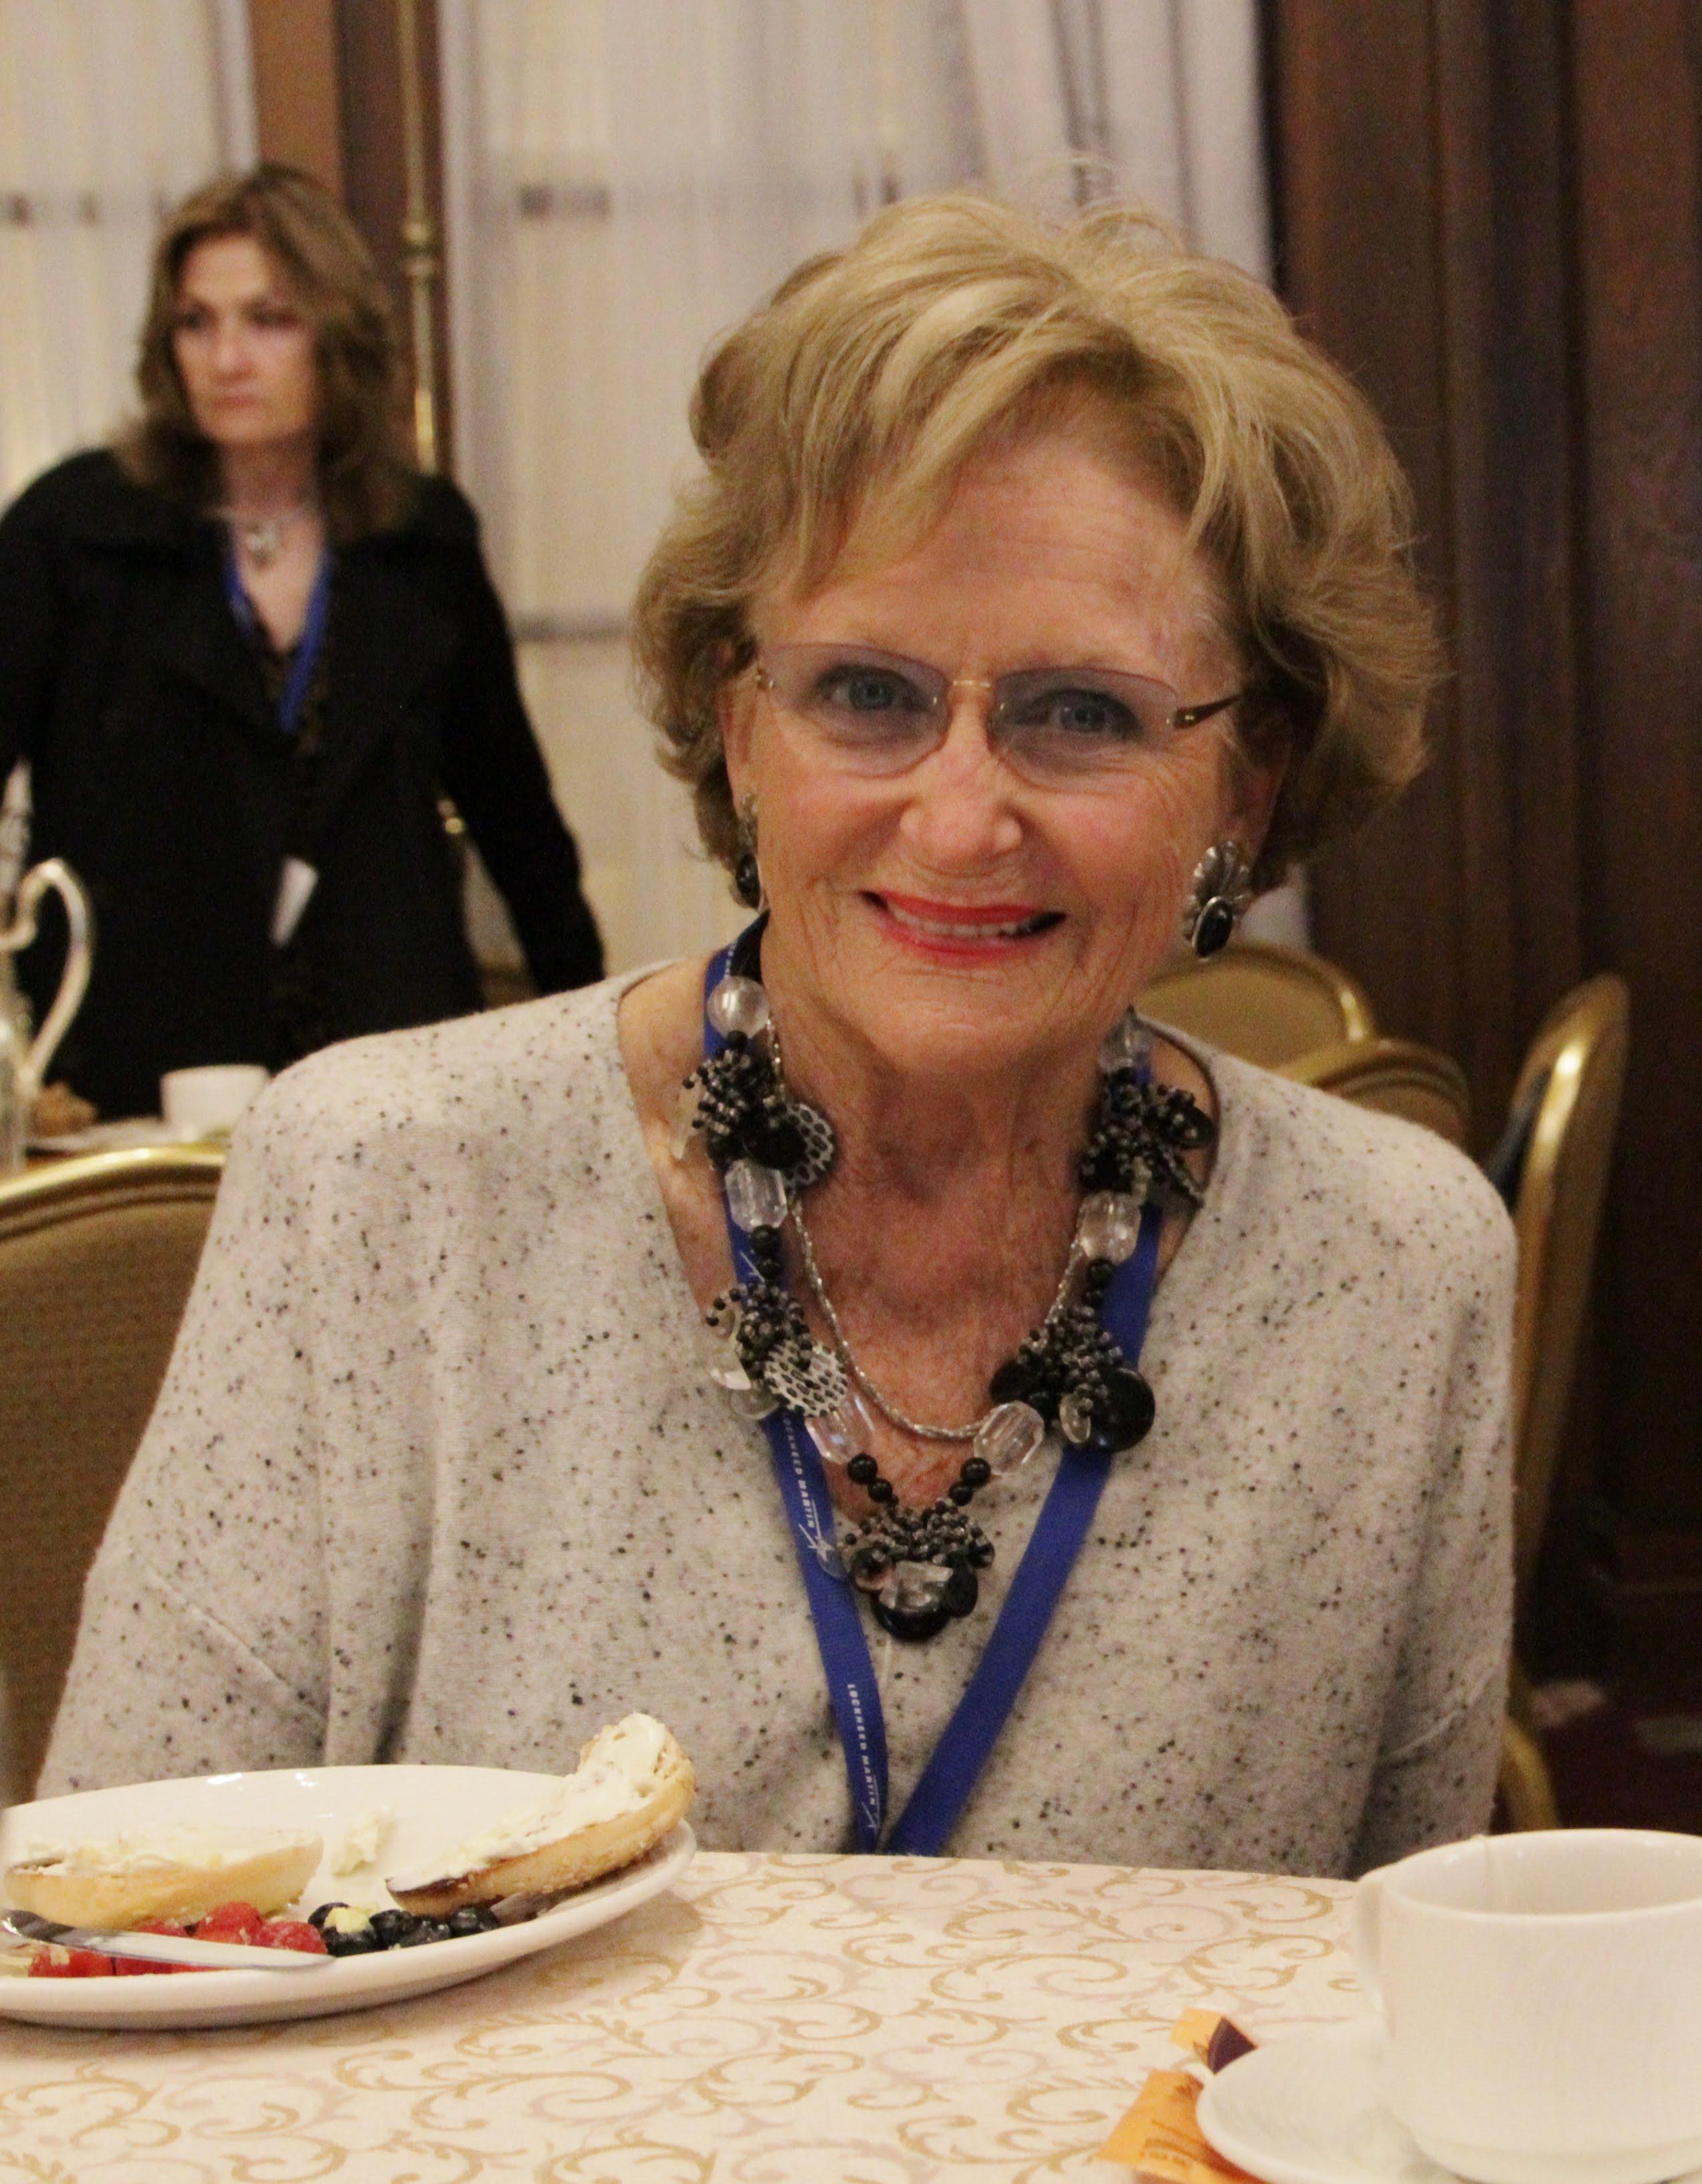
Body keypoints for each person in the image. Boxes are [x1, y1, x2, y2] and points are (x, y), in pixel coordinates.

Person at [43, 191, 1513, 1879]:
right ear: (740, 729)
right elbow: (102, 1933)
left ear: (1245, 789)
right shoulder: (379, 1195)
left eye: (1081, 713)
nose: (957, 819)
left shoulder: (1392, 1273)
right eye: (867, 693)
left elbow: (1393, 1993)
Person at [0, 166, 603, 1118]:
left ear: (337, 337)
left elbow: (517, 820)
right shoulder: (75, 532)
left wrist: (600, 1061)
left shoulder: (420, 541)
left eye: (268, 320)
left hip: (388, 1060)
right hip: (145, 1068)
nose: (225, 358)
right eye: (196, 322)